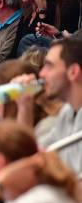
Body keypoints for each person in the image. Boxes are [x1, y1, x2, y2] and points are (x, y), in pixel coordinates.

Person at [37, 38, 82, 174]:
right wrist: (24, 105)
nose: (41, 73)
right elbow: (33, 153)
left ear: (73, 72)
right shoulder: (67, 111)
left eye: (49, 66)